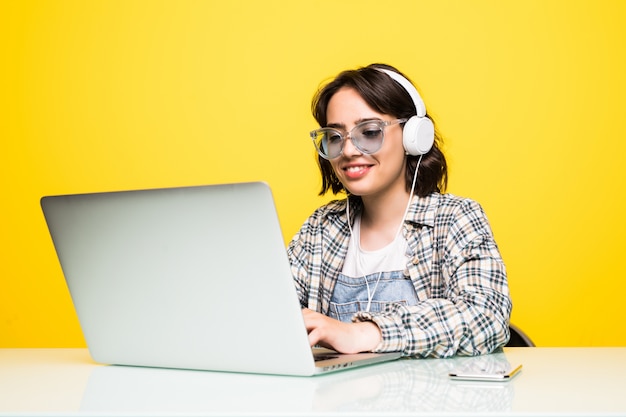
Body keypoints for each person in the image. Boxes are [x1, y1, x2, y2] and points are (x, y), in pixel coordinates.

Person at [287, 63, 512, 358]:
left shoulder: (456, 219)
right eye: (335, 137)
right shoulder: (320, 229)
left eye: (368, 132)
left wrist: (365, 333)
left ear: (413, 137)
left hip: (429, 400)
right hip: (336, 400)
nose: (349, 150)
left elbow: (487, 317)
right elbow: (273, 313)